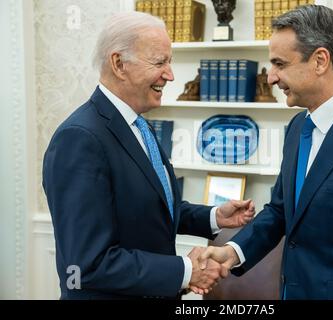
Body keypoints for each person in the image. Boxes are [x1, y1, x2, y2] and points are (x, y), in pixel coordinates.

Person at [198, 5, 333, 300]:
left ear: (320, 60)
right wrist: (233, 251)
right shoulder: (297, 127)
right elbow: (281, 211)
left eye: (280, 64)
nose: (271, 78)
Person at [42, 12, 255, 300]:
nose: (170, 74)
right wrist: (186, 270)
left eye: (170, 61)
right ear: (119, 64)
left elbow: (150, 210)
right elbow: (87, 264)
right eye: (159, 62)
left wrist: (215, 217)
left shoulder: (139, 125)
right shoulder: (80, 139)